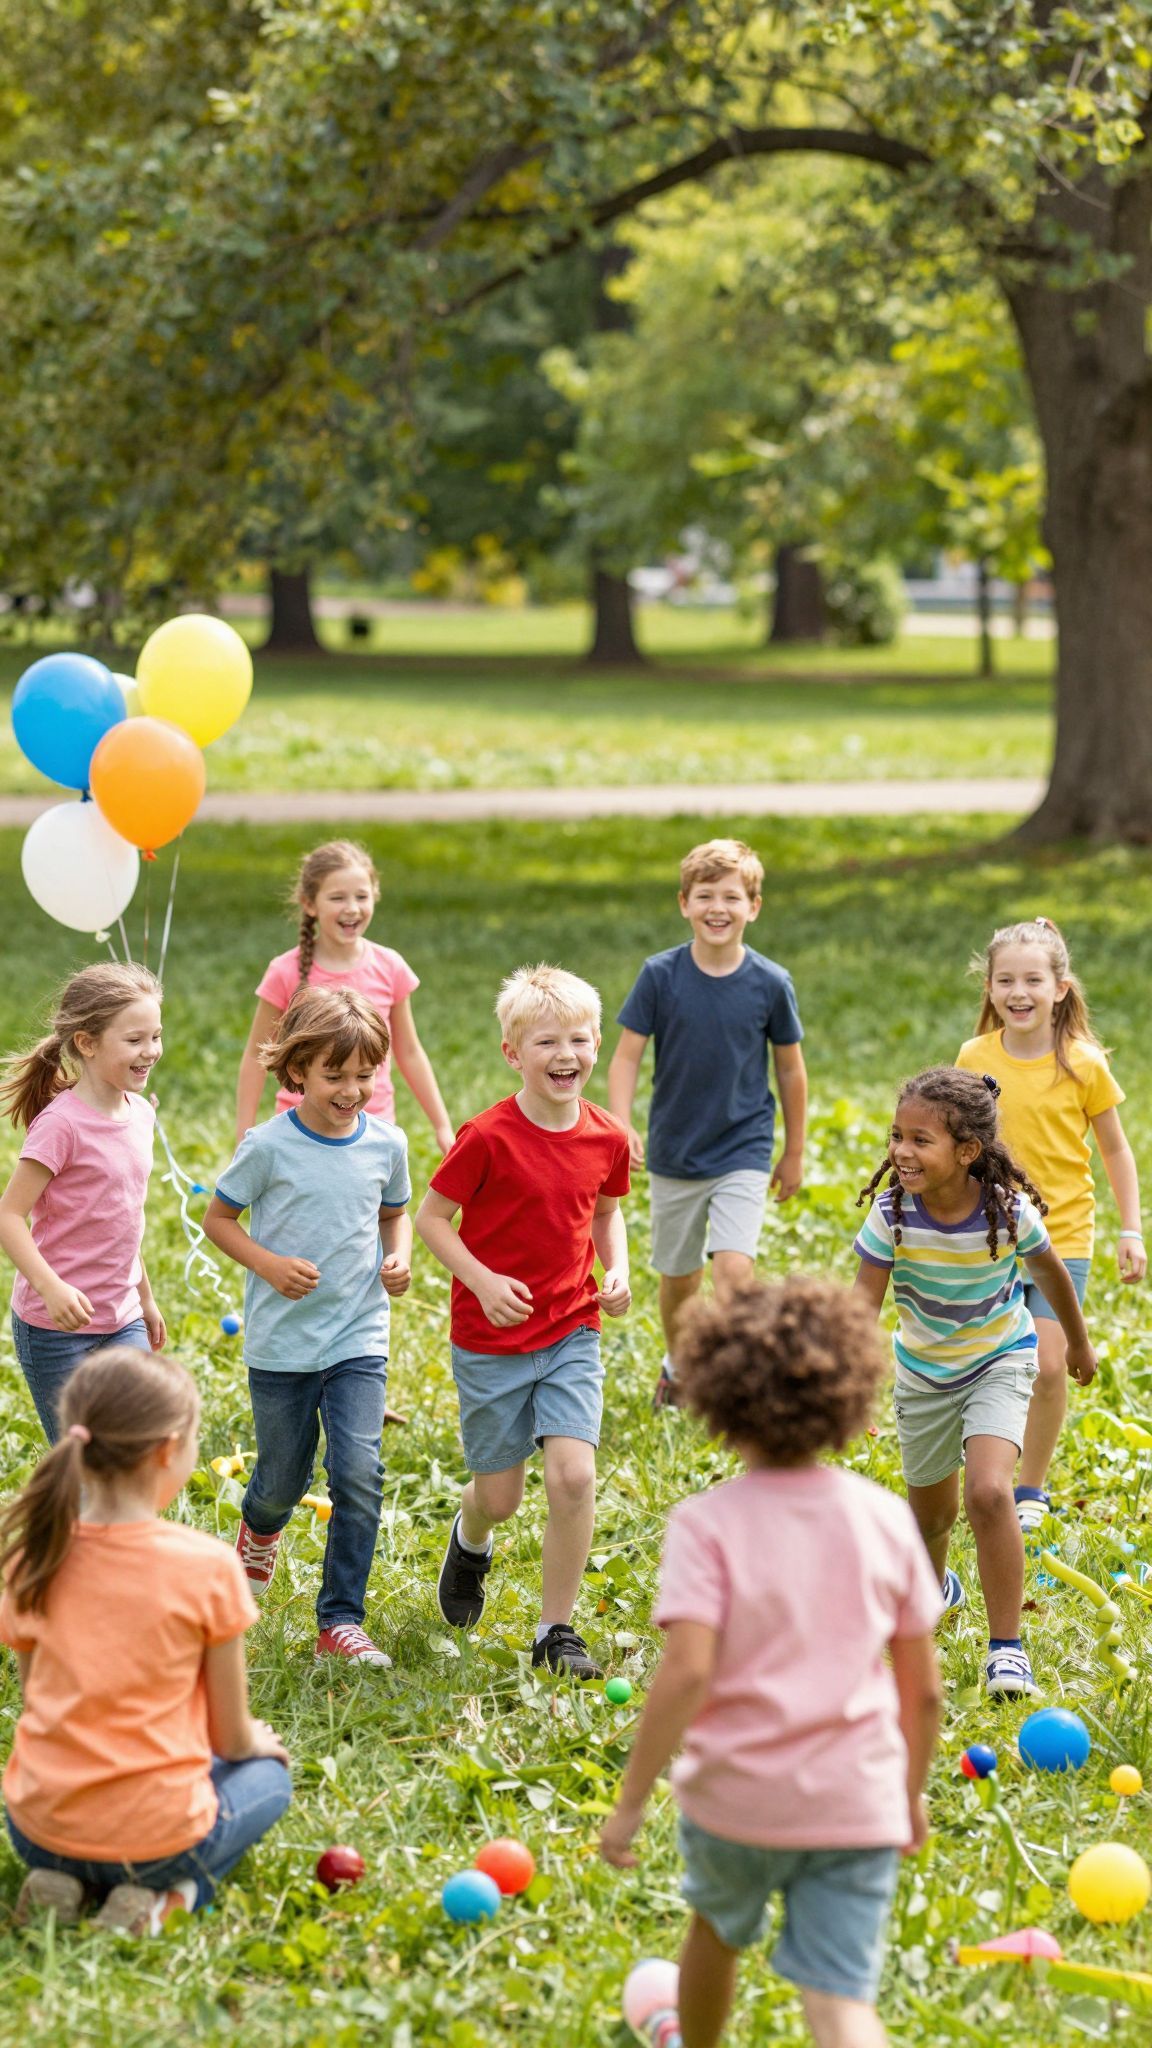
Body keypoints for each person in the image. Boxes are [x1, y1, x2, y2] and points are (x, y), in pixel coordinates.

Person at [600, 1278, 942, 2048]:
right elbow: (922, 1693)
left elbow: (686, 1672)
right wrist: (909, 1794)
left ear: (719, 1398)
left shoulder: (705, 1525)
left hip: (738, 1802)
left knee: (716, 1933)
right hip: (856, 1801)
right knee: (838, 2001)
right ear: (849, 1393)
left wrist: (631, 1800)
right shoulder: (885, 1518)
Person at [0, 1346, 291, 1936]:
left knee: (83, 1823)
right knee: (271, 1780)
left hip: (38, 1830)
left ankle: (61, 1881)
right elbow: (229, 1739)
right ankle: (168, 1898)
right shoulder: (207, 1567)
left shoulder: (33, 1556)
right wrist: (256, 1744)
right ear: (166, 1451)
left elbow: (38, 1704)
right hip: (157, 1841)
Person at [853, 1066, 1097, 1699]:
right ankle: (926, 1607)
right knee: (929, 1520)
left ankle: (1007, 1649)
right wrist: (845, 1382)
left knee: (989, 1494)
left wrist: (1076, 1341)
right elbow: (860, 1311)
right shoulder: (890, 1215)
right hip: (923, 1374)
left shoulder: (1007, 1213)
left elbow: (1052, 1276)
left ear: (968, 1152)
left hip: (999, 1359)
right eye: (896, 1136)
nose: (902, 1151)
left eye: (920, 1140)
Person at [415, 964, 631, 1679]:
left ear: (597, 1043)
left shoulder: (606, 1137)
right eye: (546, 1042)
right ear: (513, 1053)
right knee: (501, 1497)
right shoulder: (487, 1137)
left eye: (578, 1039)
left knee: (573, 1477)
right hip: (491, 1340)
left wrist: (618, 1267)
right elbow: (433, 1220)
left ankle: (555, 1630)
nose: (565, 1055)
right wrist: (479, 1278)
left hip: (571, 1327)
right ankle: (470, 1537)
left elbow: (606, 1210)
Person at [204, 986, 412, 1669]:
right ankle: (258, 1531)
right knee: (280, 1482)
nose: (351, 1090)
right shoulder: (268, 1147)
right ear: (296, 1072)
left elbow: (394, 1213)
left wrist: (399, 1254)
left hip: (357, 1336)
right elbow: (219, 1221)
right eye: (334, 1076)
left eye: (363, 1076)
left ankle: (340, 1621)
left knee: (357, 1471)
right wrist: (268, 1265)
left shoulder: (386, 1142)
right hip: (283, 1344)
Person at [956, 916, 1144, 1530]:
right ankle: (986, 1467)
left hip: (1063, 1237)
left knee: (1047, 1363)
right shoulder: (974, 1058)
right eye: (1005, 979)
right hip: (990, 1234)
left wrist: (1130, 1228)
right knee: (987, 1359)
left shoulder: (1083, 1064)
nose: (1019, 991)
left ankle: (1029, 1490)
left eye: (1033, 979)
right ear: (988, 988)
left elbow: (1115, 1149)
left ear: (1060, 987)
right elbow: (963, 1143)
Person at [607, 837, 807, 1409]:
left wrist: (792, 1151)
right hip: (675, 1151)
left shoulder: (771, 983)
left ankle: (741, 1384)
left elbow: (790, 1072)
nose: (718, 908)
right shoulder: (660, 976)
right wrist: (621, 1123)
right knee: (679, 1279)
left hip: (743, 1146)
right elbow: (626, 1057)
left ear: (754, 906)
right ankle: (680, 1363)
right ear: (684, 904)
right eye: (705, 896)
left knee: (735, 1276)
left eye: (731, 897)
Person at [0, 963, 166, 1441]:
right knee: (81, 1462)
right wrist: (50, 1288)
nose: (151, 1051)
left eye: (155, 1036)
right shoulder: (61, 1125)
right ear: (87, 1043)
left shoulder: (140, 1115)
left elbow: (123, 1220)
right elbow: (9, 1216)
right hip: (55, 1329)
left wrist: (145, 1300)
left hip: (121, 1318)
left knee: (133, 1447)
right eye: (134, 1040)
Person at [235, 837, 453, 1153]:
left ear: (375, 897)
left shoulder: (389, 966)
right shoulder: (284, 972)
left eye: (361, 896)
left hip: (372, 1128)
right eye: (337, 897)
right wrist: (244, 1133)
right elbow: (256, 1056)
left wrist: (442, 1125)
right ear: (310, 904)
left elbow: (409, 1051)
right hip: (299, 1132)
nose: (351, 908)